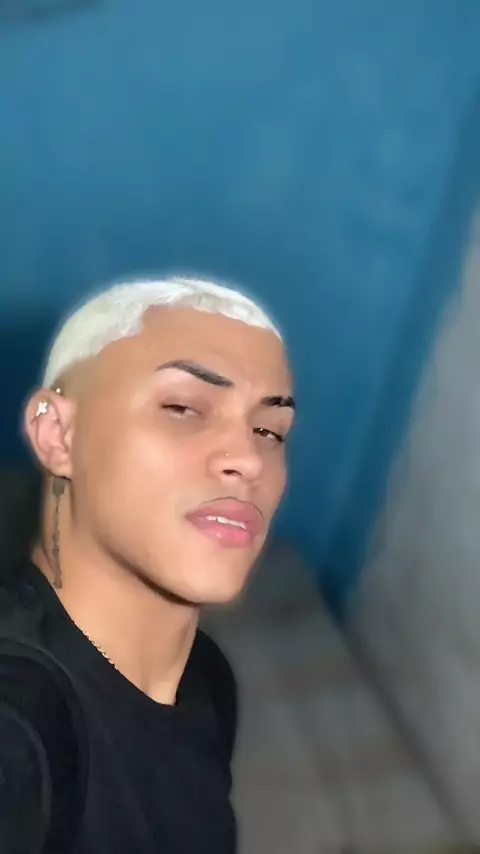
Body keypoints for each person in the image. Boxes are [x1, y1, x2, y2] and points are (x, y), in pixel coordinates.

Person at [0, 275, 295, 853]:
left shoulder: (205, 680)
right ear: (58, 434)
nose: (248, 459)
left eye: (269, 429)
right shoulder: (19, 730)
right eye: (183, 408)